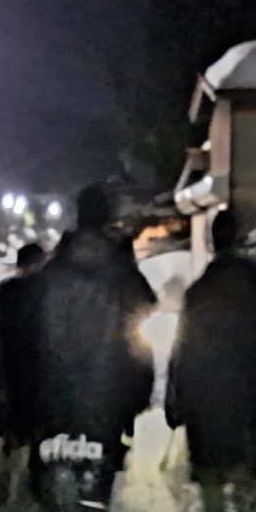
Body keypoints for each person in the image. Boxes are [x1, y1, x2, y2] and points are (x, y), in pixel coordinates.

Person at [165, 206, 256, 512]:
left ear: (213, 242)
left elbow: (183, 351)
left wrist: (177, 396)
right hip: (248, 398)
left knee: (212, 473)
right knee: (247, 478)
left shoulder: (199, 293)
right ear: (240, 239)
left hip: (206, 401)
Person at [29, 183, 157, 482]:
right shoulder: (122, 269)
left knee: (56, 474)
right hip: (108, 394)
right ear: (107, 216)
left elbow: (31, 331)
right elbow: (144, 313)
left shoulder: (51, 270)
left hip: (58, 392)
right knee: (100, 474)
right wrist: (139, 393)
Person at [0, 241, 48, 505]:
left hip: (9, 363)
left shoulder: (4, 292)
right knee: (39, 414)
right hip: (40, 363)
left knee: (13, 409)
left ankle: (9, 455)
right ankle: (35, 473)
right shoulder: (49, 292)